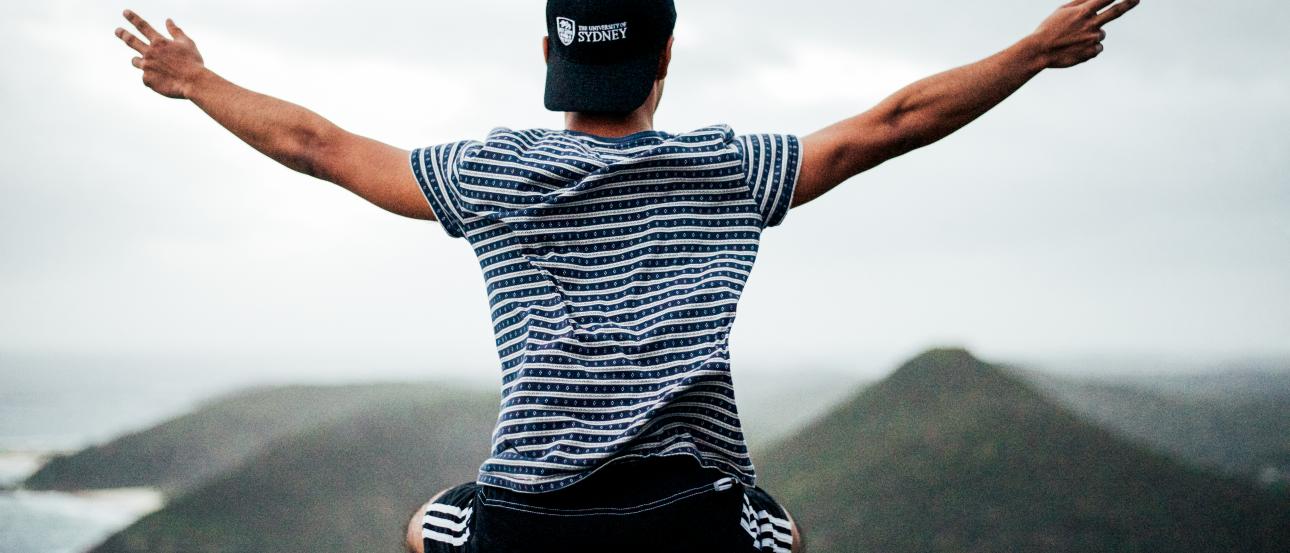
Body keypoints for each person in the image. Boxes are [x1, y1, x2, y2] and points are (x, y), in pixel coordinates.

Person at [112, 0, 1139, 551]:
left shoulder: (492, 172)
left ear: (549, 55)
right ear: (668, 54)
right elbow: (896, 123)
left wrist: (195, 79)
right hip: (687, 514)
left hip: (525, 522)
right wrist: (1031, 51)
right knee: (786, 527)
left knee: (425, 526)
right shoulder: (728, 170)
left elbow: (314, 143)